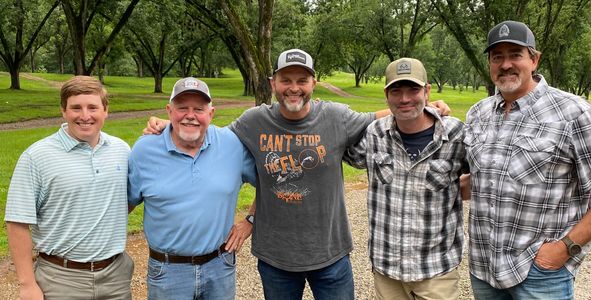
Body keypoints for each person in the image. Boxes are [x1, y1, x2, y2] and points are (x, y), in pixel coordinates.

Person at [144, 49, 450, 299]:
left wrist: (427, 107)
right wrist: (166, 126)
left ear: (313, 83)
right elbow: (208, 136)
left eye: (302, 79)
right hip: (276, 259)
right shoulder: (253, 122)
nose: (294, 87)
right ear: (273, 82)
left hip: (331, 256)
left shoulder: (335, 117)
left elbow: (376, 116)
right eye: (285, 79)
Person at [465, 20, 591, 299]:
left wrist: (565, 248)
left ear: (534, 59)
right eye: (497, 57)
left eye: (515, 54)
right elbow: (475, 181)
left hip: (539, 274)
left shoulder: (573, 113)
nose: (505, 65)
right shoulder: (477, 114)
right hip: (483, 269)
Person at [343, 58, 468, 300]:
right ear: (386, 95)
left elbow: (486, 175)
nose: (404, 99)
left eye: (413, 89)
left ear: (427, 91)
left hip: (436, 271)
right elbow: (335, 145)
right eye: (396, 90)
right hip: (387, 270)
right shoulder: (374, 134)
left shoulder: (456, 135)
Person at [5, 76, 133, 300]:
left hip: (115, 277)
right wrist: (27, 284)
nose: (85, 116)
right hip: (60, 279)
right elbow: (17, 222)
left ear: (105, 111)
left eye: (93, 107)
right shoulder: (37, 157)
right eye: (76, 108)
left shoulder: (121, 150)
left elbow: (127, 199)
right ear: (64, 111)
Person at [127, 77, 256, 300]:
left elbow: (271, 182)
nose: (190, 115)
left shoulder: (231, 144)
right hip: (168, 270)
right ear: (169, 111)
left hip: (220, 265)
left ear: (211, 113)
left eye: (198, 109)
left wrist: (251, 221)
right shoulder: (144, 150)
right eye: (182, 108)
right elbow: (124, 204)